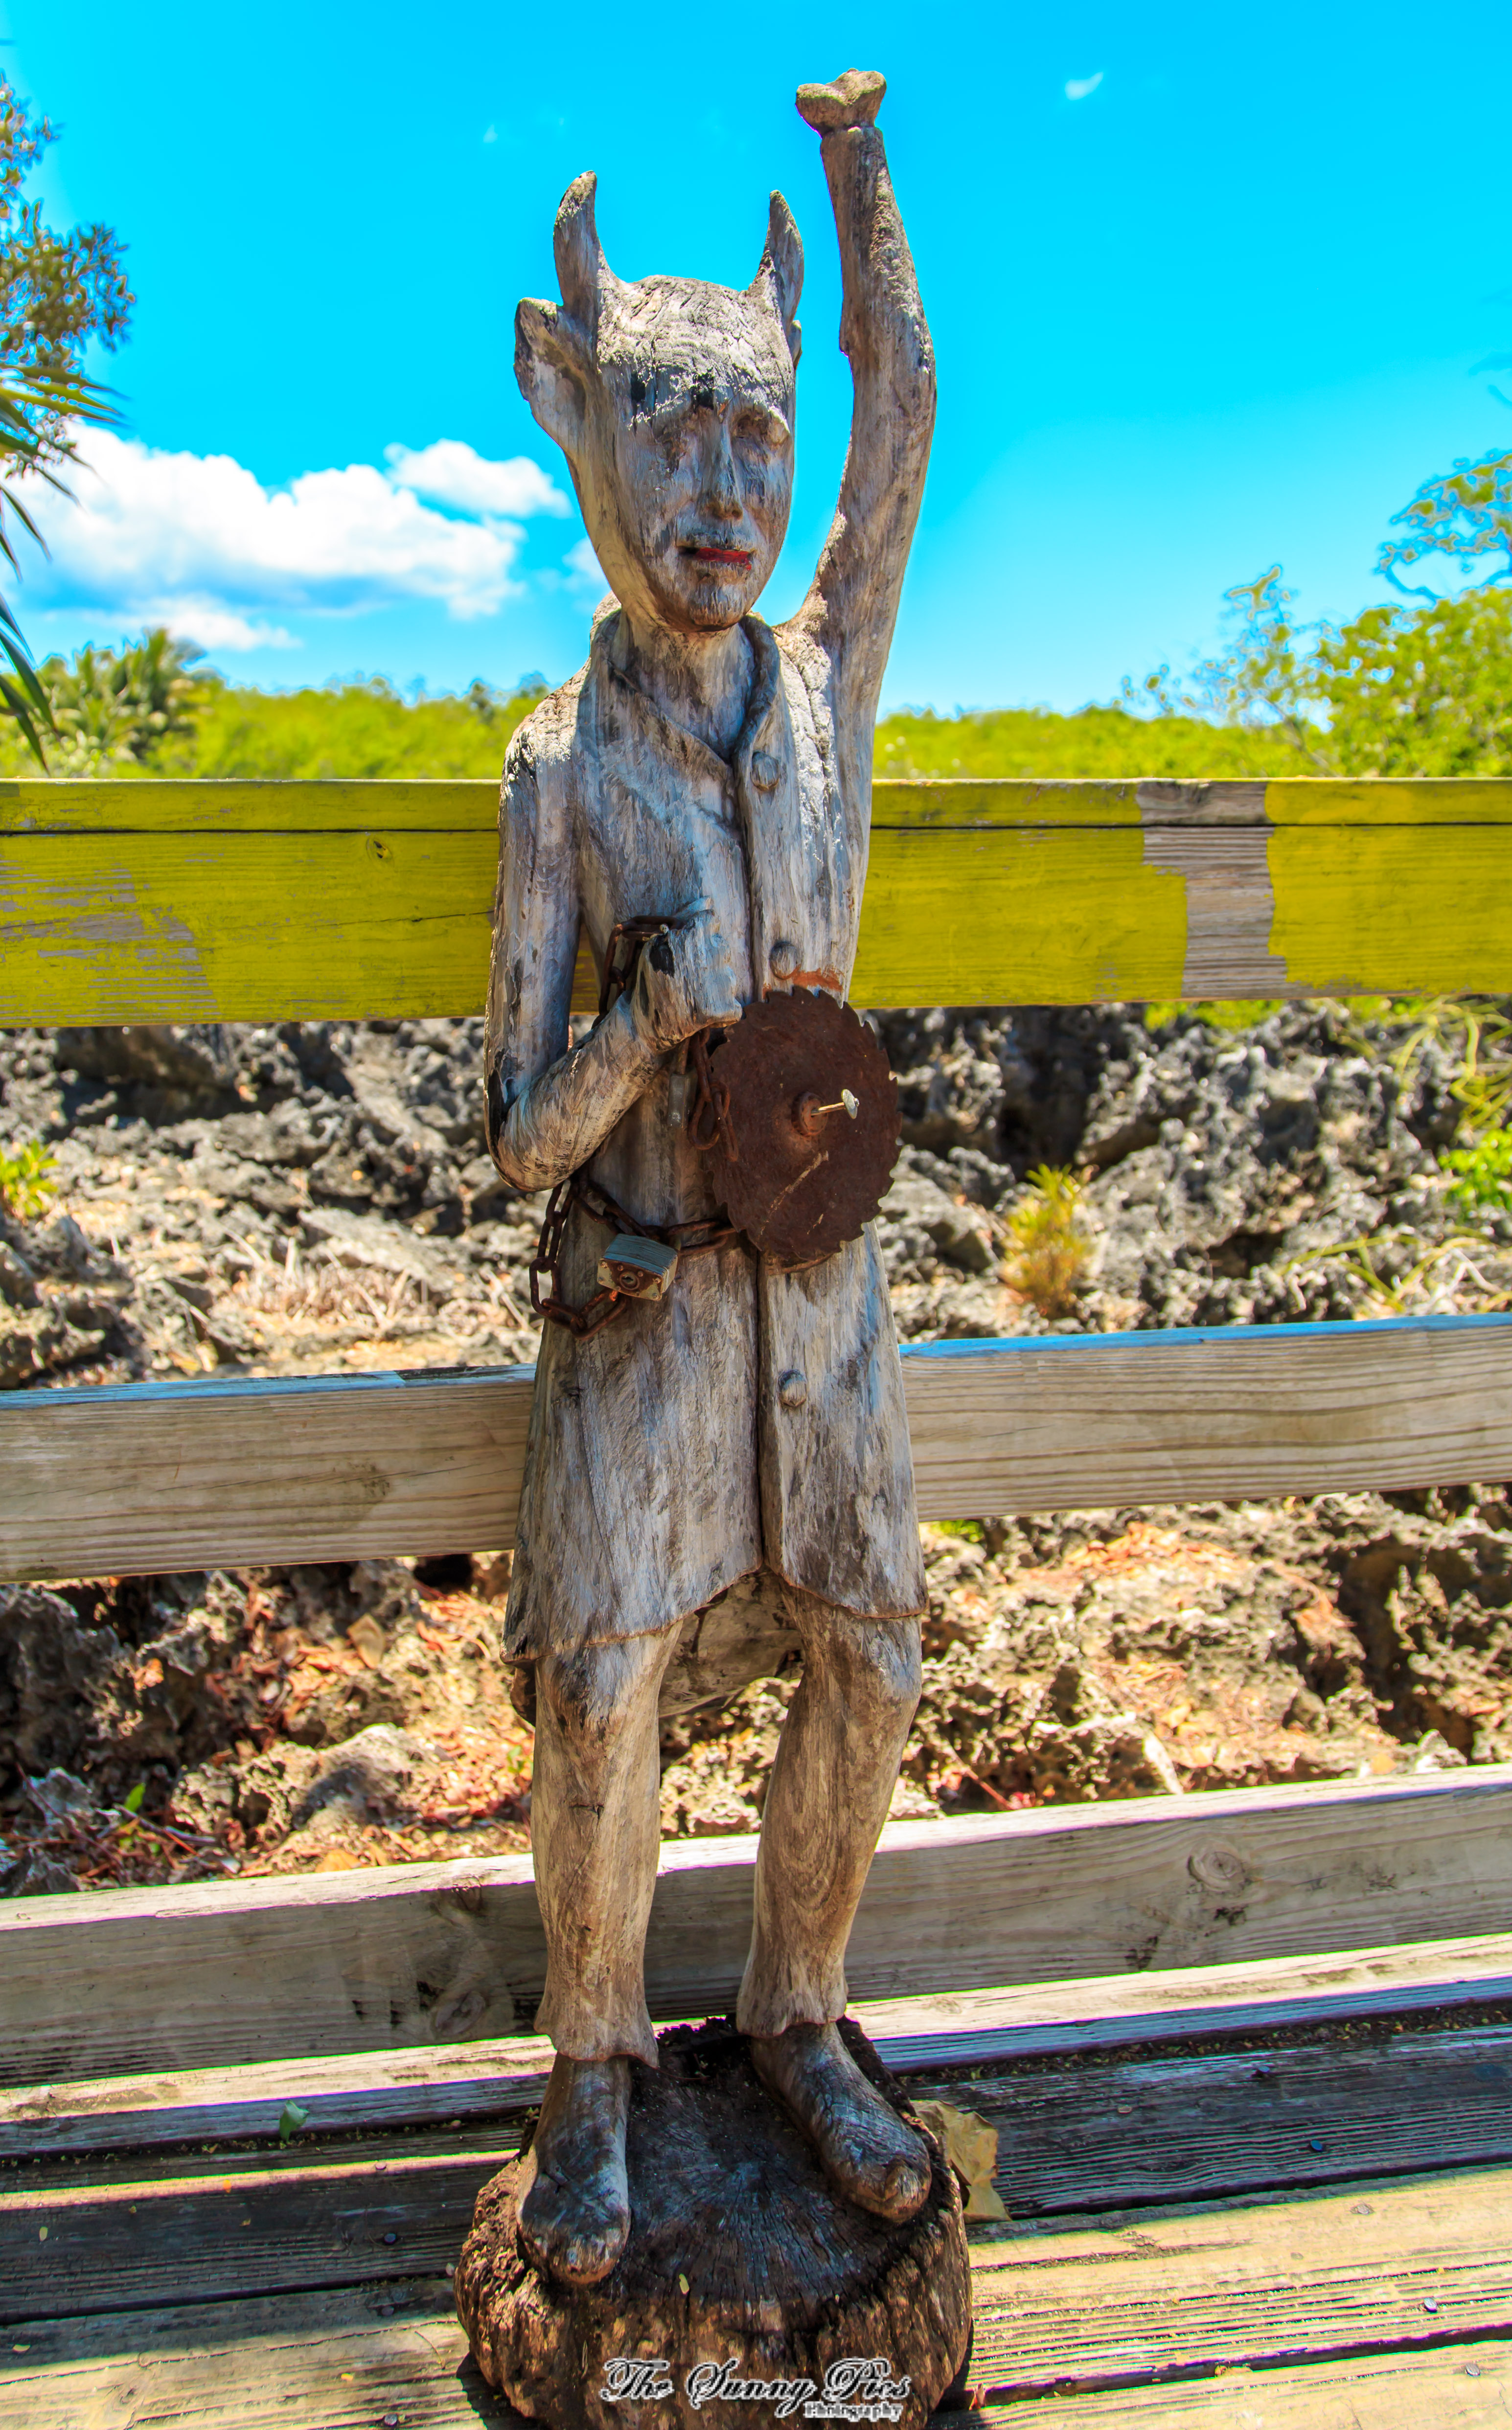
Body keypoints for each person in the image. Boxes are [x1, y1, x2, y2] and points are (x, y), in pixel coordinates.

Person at [484, 67, 937, 2287]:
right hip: (642, 1313)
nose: (723, 489)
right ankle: (589, 2069)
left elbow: (904, 411)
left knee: (878, 1661)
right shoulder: (560, 768)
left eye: (754, 435)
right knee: (598, 1696)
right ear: (571, 417)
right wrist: (635, 1038)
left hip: (824, 1318)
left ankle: (796, 2014)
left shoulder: (827, 684)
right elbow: (511, 1134)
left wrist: (858, 176)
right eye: (669, 433)